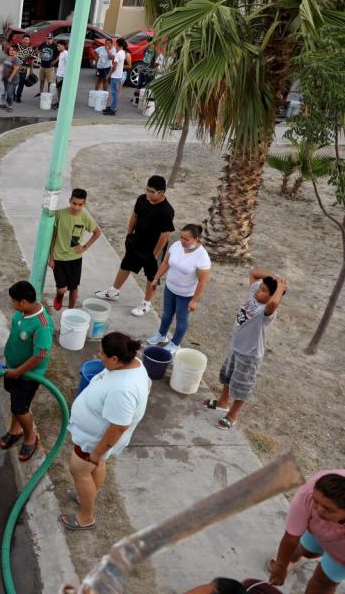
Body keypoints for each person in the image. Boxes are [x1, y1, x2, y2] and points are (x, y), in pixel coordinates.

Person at [62, 332, 150, 531]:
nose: (98, 355)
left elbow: (118, 427)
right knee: (95, 466)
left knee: (79, 471)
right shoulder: (132, 362)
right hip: (96, 441)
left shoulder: (123, 389)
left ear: (115, 359)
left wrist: (96, 452)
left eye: (102, 354)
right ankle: (86, 495)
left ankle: (86, 517)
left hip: (95, 441)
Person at [204, 269, 286, 430]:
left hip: (250, 355)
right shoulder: (254, 297)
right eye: (259, 287)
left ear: (273, 295)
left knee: (242, 386)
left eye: (263, 290)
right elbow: (253, 273)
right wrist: (271, 277)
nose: (258, 290)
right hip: (236, 347)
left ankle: (232, 416)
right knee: (228, 377)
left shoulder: (267, 312)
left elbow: (274, 303)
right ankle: (222, 402)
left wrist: (280, 288)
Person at [95, 175, 175, 316]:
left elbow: (165, 235)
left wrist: (155, 254)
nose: (147, 193)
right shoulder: (142, 199)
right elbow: (134, 216)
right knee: (125, 265)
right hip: (137, 240)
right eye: (147, 189)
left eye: (151, 191)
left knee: (152, 276)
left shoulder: (166, 211)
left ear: (161, 192)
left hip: (154, 247)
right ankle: (113, 291)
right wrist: (129, 235)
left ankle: (146, 303)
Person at [0, 281, 54, 463]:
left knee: (21, 408)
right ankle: (16, 429)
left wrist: (18, 372)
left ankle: (30, 437)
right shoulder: (21, 314)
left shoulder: (42, 324)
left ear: (23, 302)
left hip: (27, 375)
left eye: (14, 301)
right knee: (15, 402)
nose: (12, 304)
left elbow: (39, 356)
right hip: (12, 368)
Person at [268, 470, 345, 594]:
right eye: (315, 501)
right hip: (318, 527)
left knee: (323, 582)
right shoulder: (308, 493)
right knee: (308, 551)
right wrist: (281, 565)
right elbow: (291, 537)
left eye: (328, 509)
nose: (318, 510)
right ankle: (295, 557)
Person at [146, 224, 211, 354]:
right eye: (181, 237)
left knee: (181, 320)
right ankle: (161, 335)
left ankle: (175, 343)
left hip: (185, 294)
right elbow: (165, 263)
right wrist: (156, 278)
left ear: (196, 239)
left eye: (186, 239)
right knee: (166, 315)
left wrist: (194, 301)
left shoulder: (202, 257)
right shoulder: (176, 246)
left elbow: (202, 282)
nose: (182, 241)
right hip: (170, 288)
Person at [49, 189, 101, 311]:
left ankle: (70, 311)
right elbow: (53, 236)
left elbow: (97, 232)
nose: (76, 207)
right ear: (70, 201)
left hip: (75, 259)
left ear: (84, 203)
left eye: (80, 204)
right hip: (59, 257)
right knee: (62, 288)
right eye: (74, 203)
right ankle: (59, 296)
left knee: (73, 288)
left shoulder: (85, 217)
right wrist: (51, 257)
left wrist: (85, 247)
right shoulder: (59, 214)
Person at [103, 37, 127, 115]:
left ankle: (113, 109)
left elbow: (114, 66)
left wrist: (109, 74)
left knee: (114, 93)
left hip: (115, 76)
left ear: (117, 44)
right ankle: (113, 106)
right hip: (119, 75)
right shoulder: (123, 52)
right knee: (115, 92)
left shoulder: (118, 54)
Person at [0, 45, 22, 113]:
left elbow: (15, 70)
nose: (11, 51)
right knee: (7, 91)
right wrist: (3, 72)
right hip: (6, 78)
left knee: (9, 92)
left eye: (13, 50)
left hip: (13, 79)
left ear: (16, 51)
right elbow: (5, 66)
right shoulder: (8, 57)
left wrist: (10, 77)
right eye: (10, 50)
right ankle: (7, 104)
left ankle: (10, 106)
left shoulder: (16, 59)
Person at [52, 40, 68, 108]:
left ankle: (61, 104)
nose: (57, 47)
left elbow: (68, 65)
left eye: (58, 46)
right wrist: (54, 61)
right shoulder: (61, 53)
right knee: (58, 89)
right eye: (57, 46)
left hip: (62, 76)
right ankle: (59, 102)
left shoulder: (66, 54)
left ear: (63, 46)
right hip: (59, 74)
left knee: (61, 91)